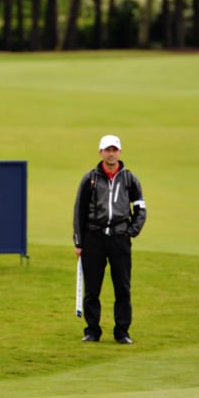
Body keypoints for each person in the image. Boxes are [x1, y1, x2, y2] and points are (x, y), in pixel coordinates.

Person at [73, 134, 147, 344]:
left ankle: (122, 331)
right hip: (94, 238)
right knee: (92, 289)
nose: (111, 153)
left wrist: (132, 231)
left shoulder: (129, 179)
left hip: (119, 239)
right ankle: (92, 331)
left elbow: (140, 208)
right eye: (107, 150)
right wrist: (79, 241)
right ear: (101, 153)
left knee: (122, 287)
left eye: (114, 149)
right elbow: (79, 210)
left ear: (119, 152)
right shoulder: (90, 178)